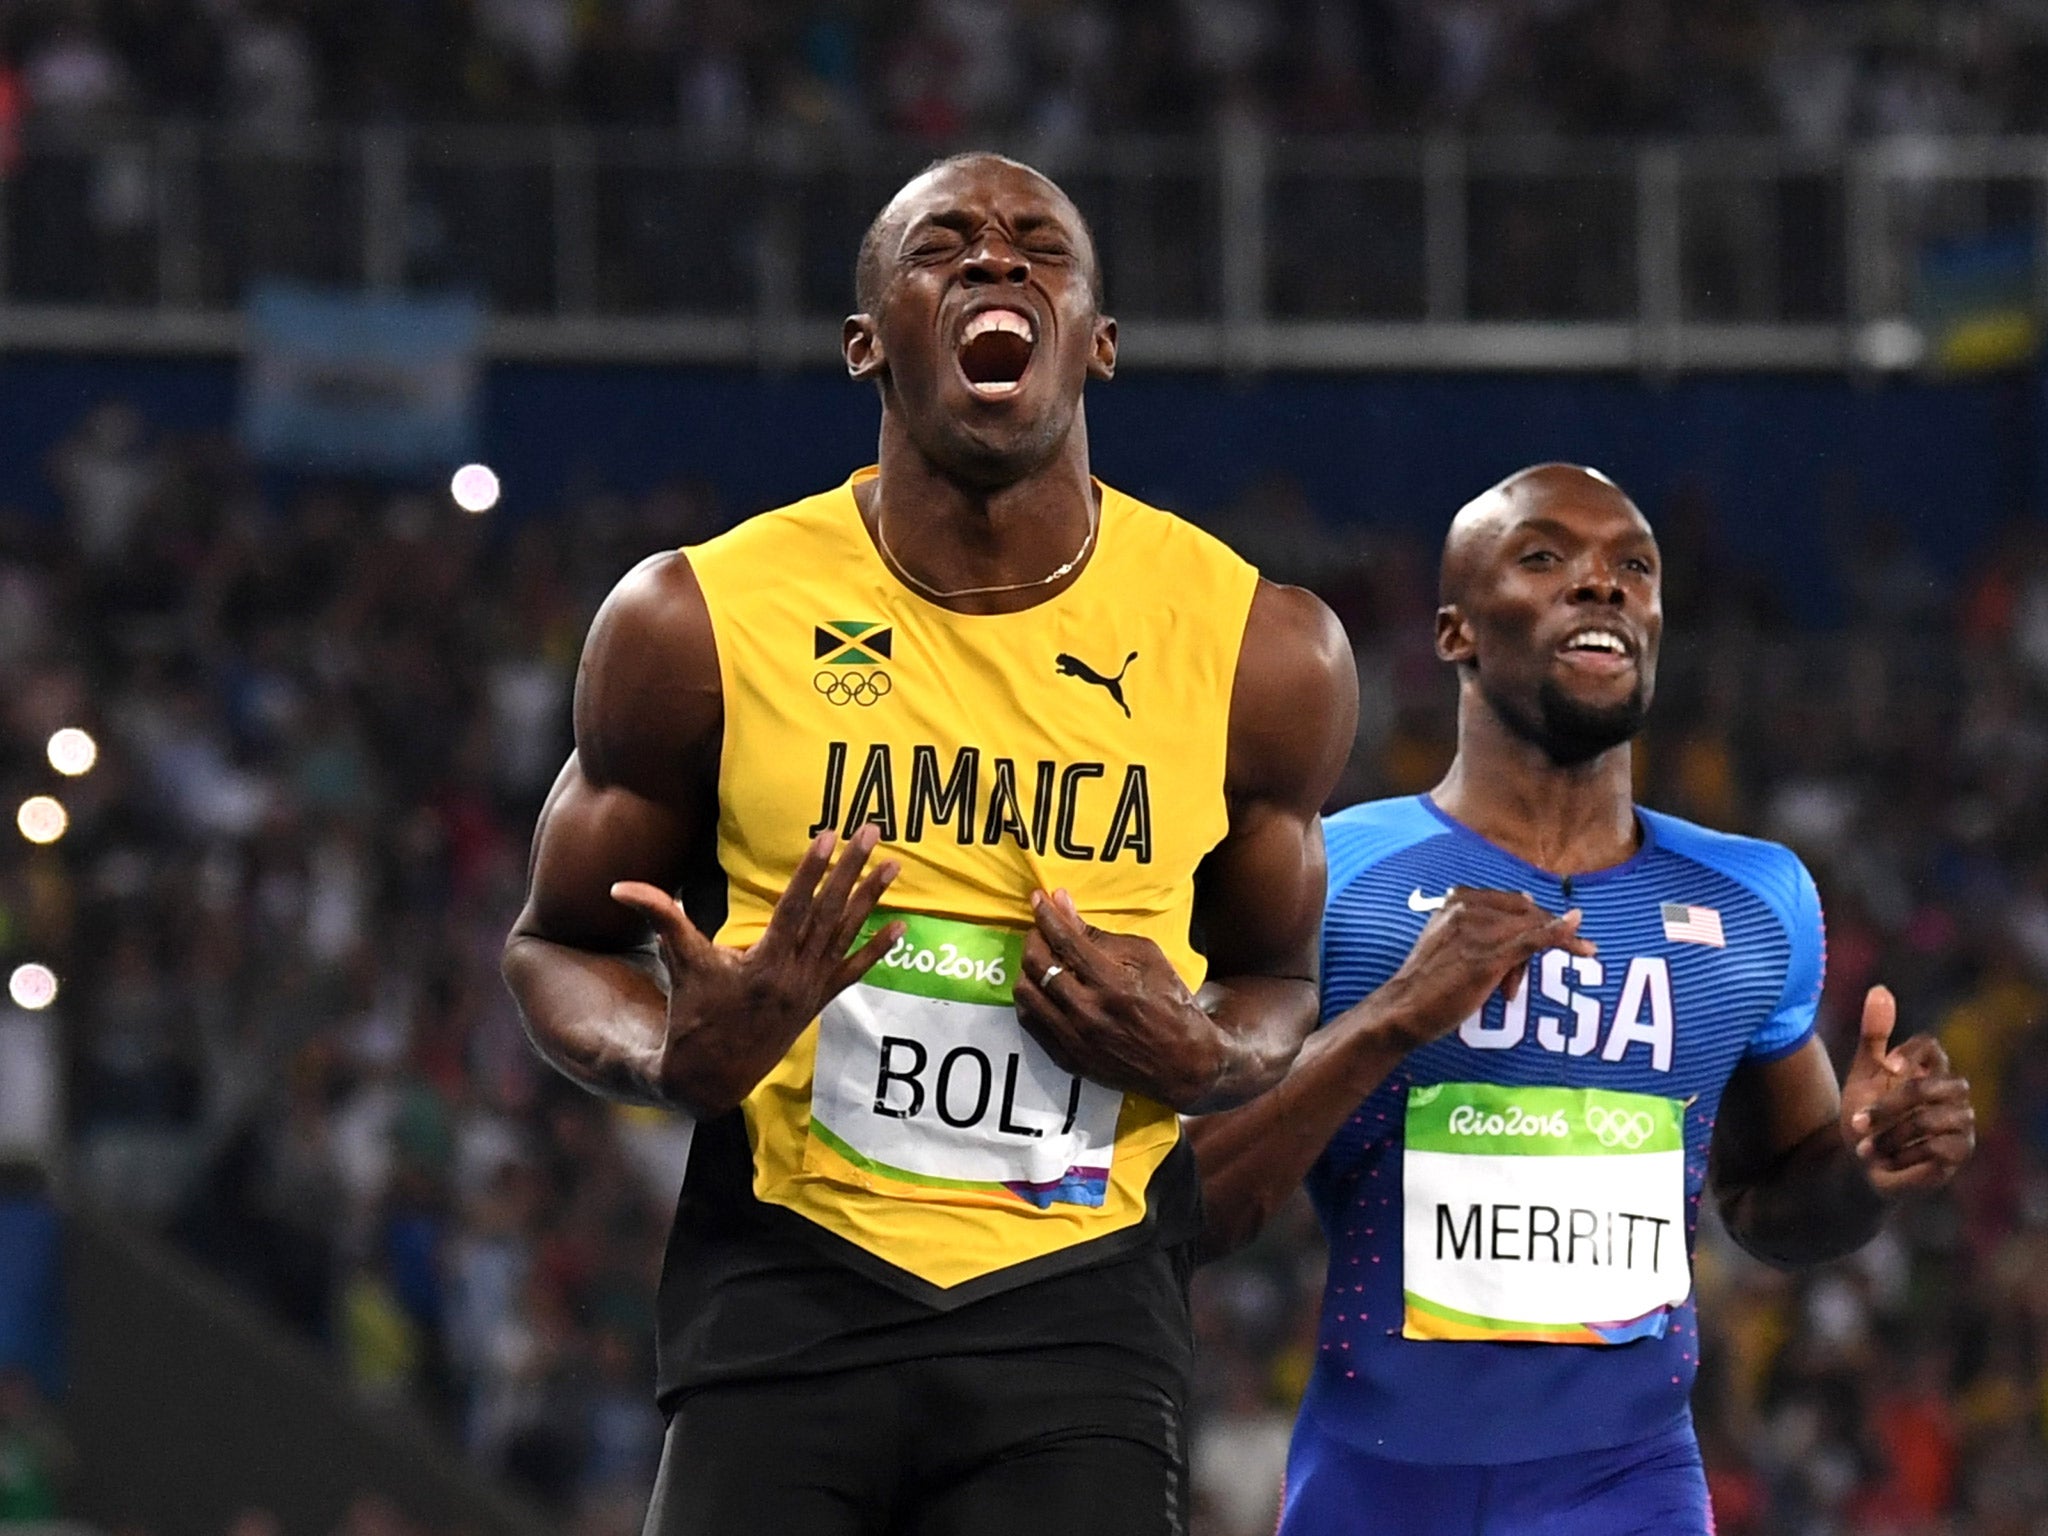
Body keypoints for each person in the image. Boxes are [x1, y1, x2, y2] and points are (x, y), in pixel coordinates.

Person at [501, 151, 1357, 1536]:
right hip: (786, 1287)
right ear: (867, 344)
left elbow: (1278, 982)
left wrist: (1208, 1055)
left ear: (1101, 343)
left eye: (1041, 249)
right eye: (941, 245)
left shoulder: (1262, 647)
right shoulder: (694, 620)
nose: (996, 263)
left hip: (1077, 1314)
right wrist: (669, 1053)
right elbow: (553, 944)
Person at [1188, 464, 1977, 1535]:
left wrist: (1865, 1171)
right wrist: (1394, 1017)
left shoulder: (1754, 899)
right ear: (1455, 631)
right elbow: (1188, 1204)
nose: (1601, 585)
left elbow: (1773, 1214)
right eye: (1545, 557)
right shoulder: (1337, 875)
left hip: (1627, 1493)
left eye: (1632, 568)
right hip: (1370, 1490)